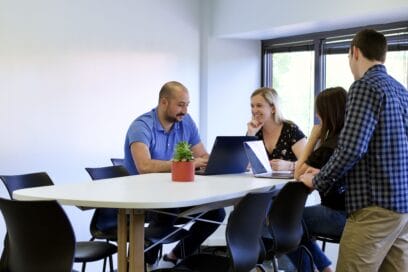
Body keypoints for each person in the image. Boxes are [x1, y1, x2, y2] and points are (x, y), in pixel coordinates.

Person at [300, 29, 408, 271]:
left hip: (374, 207)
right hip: (402, 208)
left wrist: (318, 180)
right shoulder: (400, 90)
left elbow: (351, 148)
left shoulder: (363, 87)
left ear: (354, 52)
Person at [123, 81, 226, 268]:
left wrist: (221, 159)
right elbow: (144, 166)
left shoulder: (185, 122)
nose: (185, 111)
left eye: (187, 105)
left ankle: (174, 258)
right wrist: (186, 164)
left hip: (173, 196)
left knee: (216, 212)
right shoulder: (142, 126)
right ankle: (142, 264)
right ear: (164, 102)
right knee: (167, 210)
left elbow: (201, 155)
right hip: (142, 199)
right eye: (180, 105)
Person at [286, 87, 347, 272]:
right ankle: (325, 268)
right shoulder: (349, 140)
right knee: (298, 225)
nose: (317, 115)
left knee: (285, 222)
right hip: (357, 214)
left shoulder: (328, 146)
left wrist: (313, 136)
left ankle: (318, 268)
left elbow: (298, 174)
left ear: (325, 114)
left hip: (338, 215)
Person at [247, 87, 307, 170]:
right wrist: (250, 135)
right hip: (262, 182)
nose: (254, 110)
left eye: (259, 105)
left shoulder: (291, 130)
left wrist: (289, 166)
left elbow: (307, 163)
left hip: (289, 182)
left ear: (273, 108)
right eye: (252, 106)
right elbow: (244, 165)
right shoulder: (254, 131)